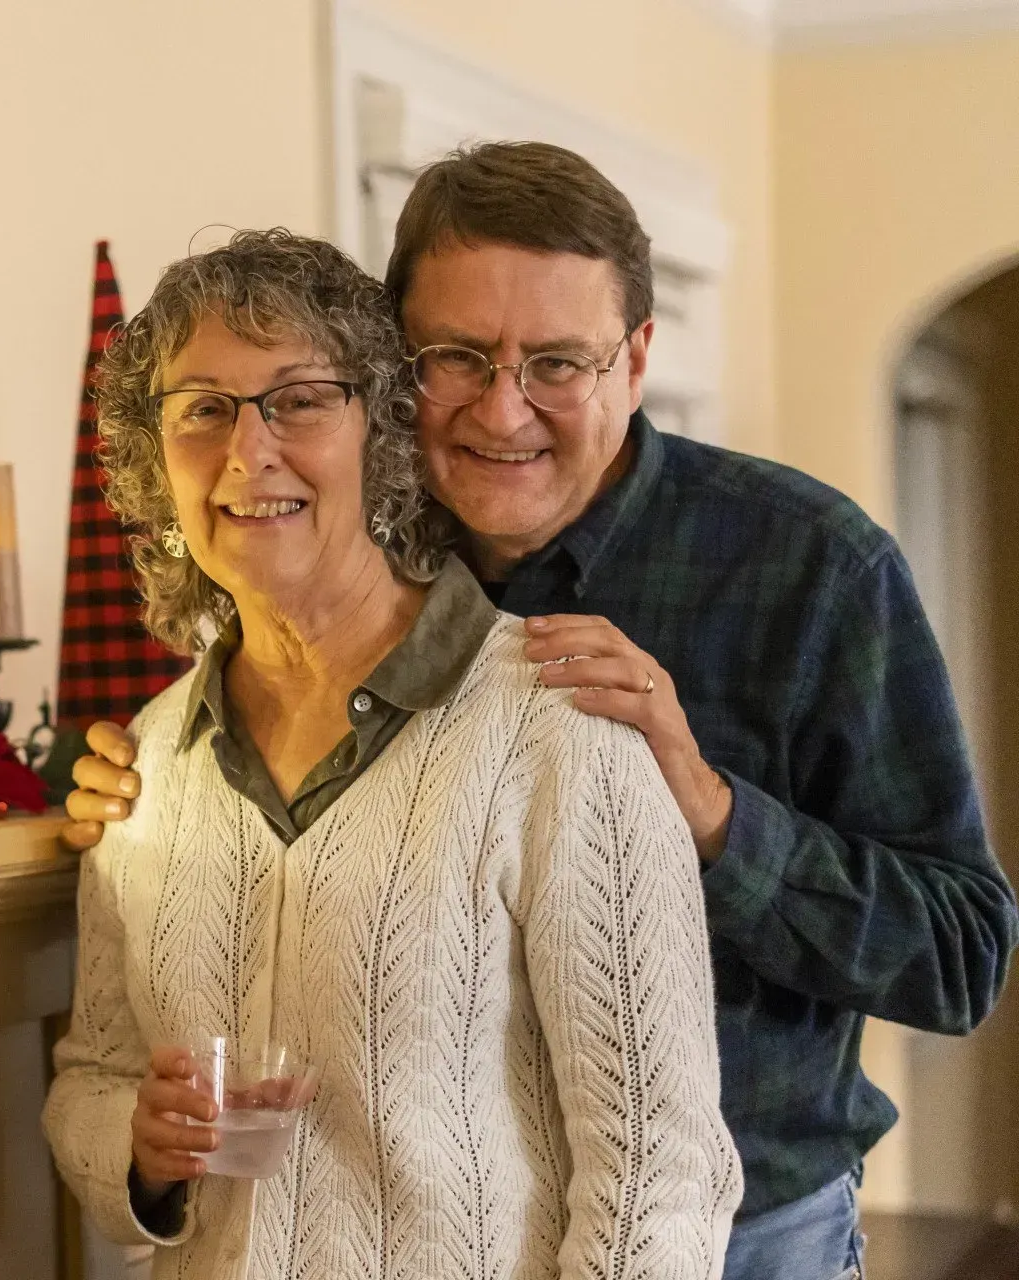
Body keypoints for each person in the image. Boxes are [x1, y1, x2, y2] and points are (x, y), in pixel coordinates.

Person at [63, 143, 1019, 1280]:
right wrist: (139, 786)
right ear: (393, 366)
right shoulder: (354, 537)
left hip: (754, 1223)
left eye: (557, 362)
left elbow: (960, 955)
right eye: (457, 357)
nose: (502, 409)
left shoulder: (811, 564)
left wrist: (712, 812)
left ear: (636, 360)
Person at [41, 228, 741, 1279]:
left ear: (382, 432)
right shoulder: (146, 766)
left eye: (299, 399)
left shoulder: (560, 725)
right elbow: (92, 1076)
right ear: (158, 462)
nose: (249, 451)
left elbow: (660, 1167)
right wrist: (142, 1150)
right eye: (204, 409)